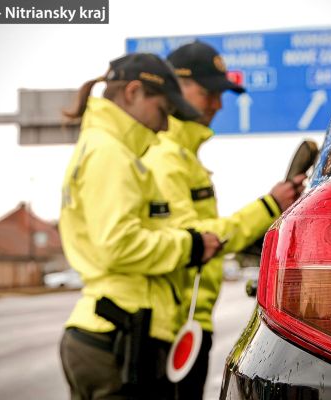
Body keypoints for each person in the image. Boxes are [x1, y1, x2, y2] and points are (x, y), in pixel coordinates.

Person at [142, 41, 306, 400]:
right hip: (171, 329)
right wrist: (269, 205)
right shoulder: (165, 159)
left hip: (188, 324)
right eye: (210, 92)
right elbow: (199, 238)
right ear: (177, 88)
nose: (218, 104)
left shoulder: (183, 157)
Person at [58, 52, 223, 400]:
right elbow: (118, 244)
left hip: (111, 332)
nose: (164, 126)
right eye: (162, 111)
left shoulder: (106, 149)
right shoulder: (110, 154)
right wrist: (190, 246)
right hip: (117, 337)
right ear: (133, 92)